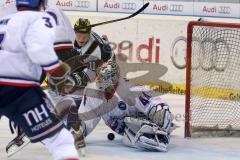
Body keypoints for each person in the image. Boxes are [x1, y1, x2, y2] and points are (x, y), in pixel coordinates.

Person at [0, 0, 79, 159]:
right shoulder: (43, 16)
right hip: (16, 89)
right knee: (60, 141)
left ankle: (22, 121)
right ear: (41, 4)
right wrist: (59, 74)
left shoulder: (4, 18)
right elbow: (41, 51)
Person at [66, 60, 173, 152]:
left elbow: (152, 102)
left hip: (145, 120)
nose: (103, 83)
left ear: (116, 79)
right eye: (101, 77)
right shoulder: (92, 94)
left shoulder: (129, 89)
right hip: (123, 128)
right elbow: (85, 120)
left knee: (159, 119)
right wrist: (78, 131)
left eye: (107, 79)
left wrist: (160, 110)